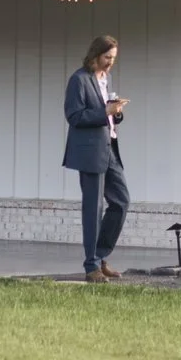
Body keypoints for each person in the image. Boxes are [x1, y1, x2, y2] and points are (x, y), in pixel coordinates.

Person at [62, 35, 129, 281]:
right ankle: (92, 267)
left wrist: (116, 113)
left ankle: (100, 256)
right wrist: (104, 112)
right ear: (96, 54)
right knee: (93, 208)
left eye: (114, 58)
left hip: (110, 148)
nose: (111, 62)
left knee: (121, 202)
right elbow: (74, 116)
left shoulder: (105, 79)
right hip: (90, 152)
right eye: (107, 57)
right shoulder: (79, 80)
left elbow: (106, 115)